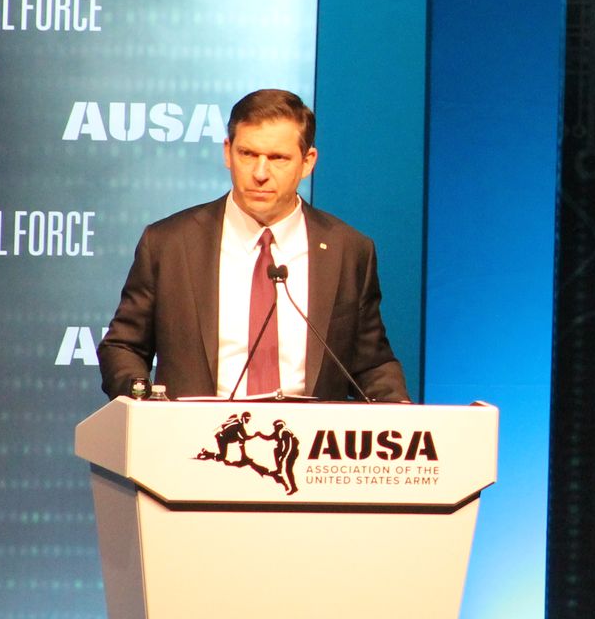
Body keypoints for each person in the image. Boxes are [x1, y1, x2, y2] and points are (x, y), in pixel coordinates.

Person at [98, 88, 410, 402]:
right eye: (247, 154)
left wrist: (401, 417)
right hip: (195, 441)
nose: (260, 173)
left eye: (278, 158)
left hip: (307, 443)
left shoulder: (348, 250)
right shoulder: (170, 244)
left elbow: (372, 363)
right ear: (227, 152)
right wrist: (143, 402)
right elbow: (123, 345)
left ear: (307, 162)